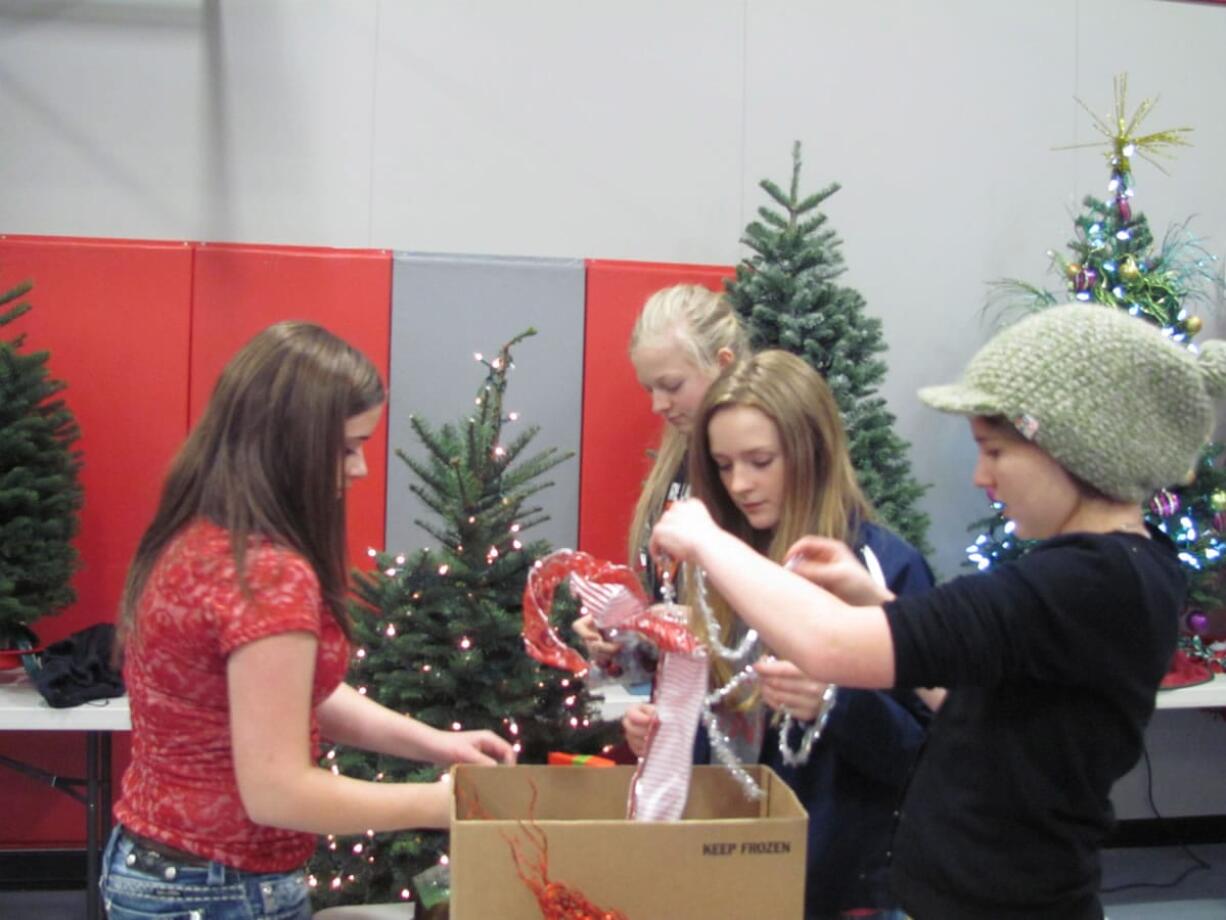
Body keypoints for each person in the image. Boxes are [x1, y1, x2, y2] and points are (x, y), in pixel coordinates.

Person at [649, 303, 1226, 920]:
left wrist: (708, 540)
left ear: (1071, 448)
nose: (981, 475)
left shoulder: (1091, 580)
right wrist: (876, 602)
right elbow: (976, 708)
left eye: (996, 451)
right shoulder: (1108, 574)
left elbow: (831, 646)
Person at [101, 321, 515, 920]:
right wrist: (439, 805)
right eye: (347, 446)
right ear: (289, 444)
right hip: (218, 891)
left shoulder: (195, 537)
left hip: (155, 870)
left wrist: (437, 744)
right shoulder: (266, 573)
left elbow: (293, 700)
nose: (361, 468)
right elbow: (278, 792)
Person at [663, 349, 933, 920]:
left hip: (842, 882)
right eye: (724, 465)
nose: (740, 484)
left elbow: (929, 758)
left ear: (811, 452)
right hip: (727, 870)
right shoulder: (721, 567)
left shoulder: (882, 570)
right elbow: (722, 716)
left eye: (761, 461)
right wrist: (670, 732)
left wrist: (835, 703)